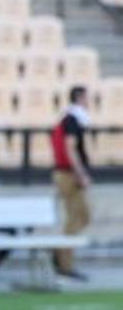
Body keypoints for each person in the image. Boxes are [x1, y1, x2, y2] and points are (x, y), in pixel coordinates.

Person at [51, 85, 92, 281]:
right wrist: (80, 173)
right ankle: (64, 262)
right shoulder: (72, 120)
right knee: (75, 218)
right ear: (79, 98)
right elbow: (71, 148)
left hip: (68, 173)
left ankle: (60, 254)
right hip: (68, 174)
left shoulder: (70, 118)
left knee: (82, 217)